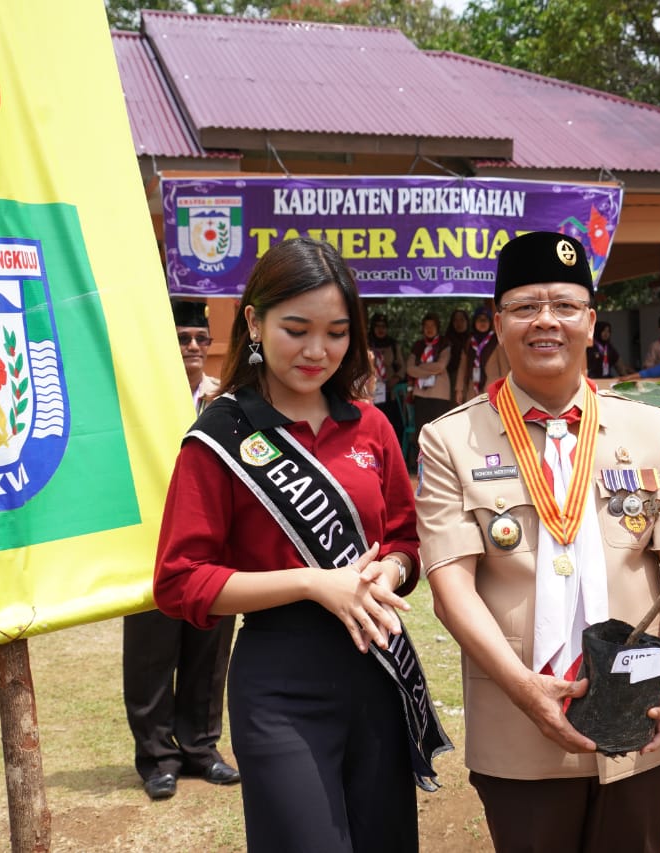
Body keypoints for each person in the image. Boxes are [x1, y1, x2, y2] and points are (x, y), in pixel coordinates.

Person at [416, 231, 660, 853]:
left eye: (564, 306)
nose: (546, 321)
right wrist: (524, 690)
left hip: (640, 711)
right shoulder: (450, 441)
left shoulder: (653, 428)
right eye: (525, 306)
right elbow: (450, 587)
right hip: (516, 721)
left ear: (591, 321)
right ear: (498, 323)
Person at [154, 238, 438, 851]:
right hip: (281, 681)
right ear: (254, 322)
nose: (317, 351)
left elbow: (405, 539)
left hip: (377, 670)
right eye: (296, 329)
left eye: (336, 333)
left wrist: (390, 570)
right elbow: (179, 580)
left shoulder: (371, 425)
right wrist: (312, 582)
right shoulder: (219, 437)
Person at [122, 298, 239, 801]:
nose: (193, 346)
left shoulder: (228, 400)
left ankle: (200, 748)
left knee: (208, 650)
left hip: (216, 542)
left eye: (200, 338)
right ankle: (157, 757)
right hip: (153, 542)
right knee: (151, 652)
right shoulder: (142, 402)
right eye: (182, 338)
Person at [407, 312, 453, 439]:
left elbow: (441, 366)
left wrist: (420, 367)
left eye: (432, 325)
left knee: (439, 432)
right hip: (420, 393)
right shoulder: (418, 345)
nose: (429, 329)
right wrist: (430, 370)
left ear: (438, 327)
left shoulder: (444, 343)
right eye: (426, 326)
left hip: (440, 394)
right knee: (422, 432)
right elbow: (410, 369)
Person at [367, 312, 405, 444]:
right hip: (371, 392)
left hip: (390, 392)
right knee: (372, 425)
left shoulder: (393, 344)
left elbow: (402, 367)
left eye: (383, 326)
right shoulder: (366, 343)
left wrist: (396, 378)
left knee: (393, 425)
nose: (380, 329)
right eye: (377, 326)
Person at [460, 305, 509, 401]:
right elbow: (462, 367)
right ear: (474, 322)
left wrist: (506, 389)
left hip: (493, 389)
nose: (482, 322)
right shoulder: (469, 342)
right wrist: (459, 389)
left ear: (490, 322)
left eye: (485, 320)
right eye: (479, 319)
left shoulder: (497, 340)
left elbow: (504, 367)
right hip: (472, 389)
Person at [445, 307, 473, 404]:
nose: (458, 323)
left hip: (470, 379)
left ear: (467, 321)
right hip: (450, 380)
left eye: (462, 320)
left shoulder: (473, 339)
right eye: (455, 320)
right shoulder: (446, 341)